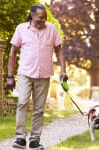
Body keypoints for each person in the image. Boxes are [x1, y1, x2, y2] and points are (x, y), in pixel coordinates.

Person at [7, 3, 68, 150]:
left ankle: (34, 140)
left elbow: (59, 50)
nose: (43, 20)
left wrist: (63, 70)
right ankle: (20, 138)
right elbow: (13, 53)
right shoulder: (21, 29)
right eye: (41, 17)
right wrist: (10, 75)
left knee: (39, 109)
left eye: (45, 17)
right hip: (25, 74)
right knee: (22, 103)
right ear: (32, 15)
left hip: (44, 74)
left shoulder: (51, 29)